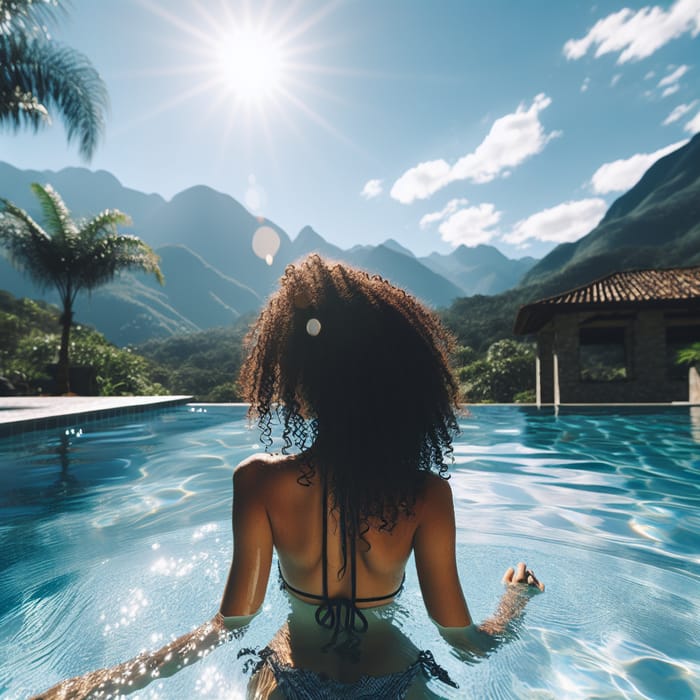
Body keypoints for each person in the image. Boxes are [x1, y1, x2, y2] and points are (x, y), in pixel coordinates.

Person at [36, 255, 543, 700]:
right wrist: (514, 603)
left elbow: (227, 627)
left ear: (299, 388)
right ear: (400, 384)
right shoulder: (426, 496)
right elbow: (467, 644)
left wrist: (99, 684)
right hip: (397, 679)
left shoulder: (258, 483)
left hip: (286, 678)